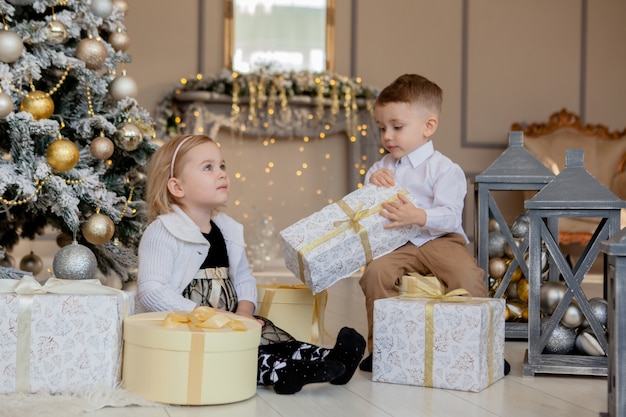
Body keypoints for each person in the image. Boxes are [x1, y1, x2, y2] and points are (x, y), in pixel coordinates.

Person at [136, 134, 365, 394]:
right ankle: (283, 372)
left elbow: (244, 277)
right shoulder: (164, 231)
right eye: (208, 167)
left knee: (268, 337)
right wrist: (207, 315)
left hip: (231, 320)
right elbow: (151, 290)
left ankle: (331, 360)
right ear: (177, 187)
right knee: (234, 355)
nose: (221, 174)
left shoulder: (227, 230)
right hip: (189, 325)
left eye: (222, 166)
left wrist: (244, 311)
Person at [357, 74, 509, 375]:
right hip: (398, 242)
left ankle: (483, 347)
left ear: (428, 126)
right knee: (375, 273)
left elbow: (451, 216)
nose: (387, 136)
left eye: (397, 127)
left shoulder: (445, 169)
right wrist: (370, 185)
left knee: (468, 276)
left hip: (440, 239)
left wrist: (419, 216)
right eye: (382, 128)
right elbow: (365, 208)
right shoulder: (380, 168)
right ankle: (384, 348)